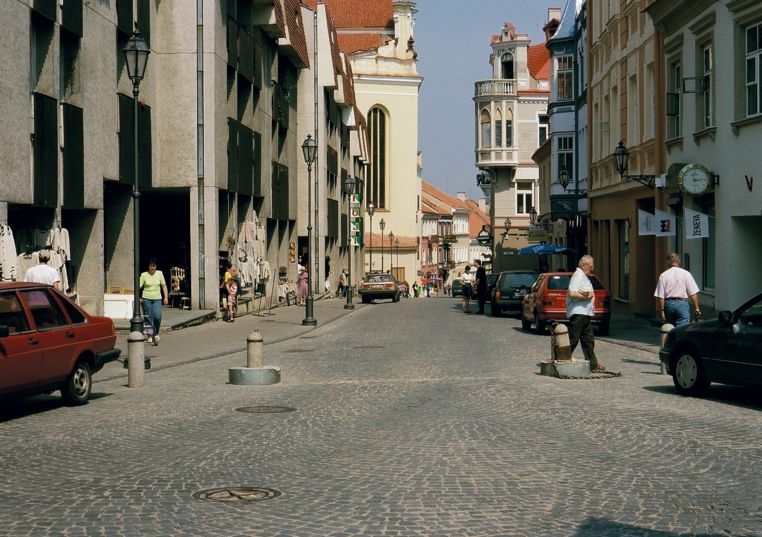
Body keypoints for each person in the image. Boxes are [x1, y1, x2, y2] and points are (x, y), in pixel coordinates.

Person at [566, 255, 604, 371]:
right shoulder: (578, 276)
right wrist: (587, 296)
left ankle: (592, 364)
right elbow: (571, 294)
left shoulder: (583, 276)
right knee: (573, 338)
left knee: (588, 339)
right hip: (578, 313)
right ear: (584, 265)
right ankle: (561, 358)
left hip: (584, 313)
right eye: (591, 266)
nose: (592, 269)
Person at [654, 252, 701, 327]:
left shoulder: (663, 275)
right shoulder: (686, 274)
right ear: (679, 261)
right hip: (682, 304)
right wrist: (697, 308)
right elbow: (693, 293)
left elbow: (660, 296)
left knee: (669, 328)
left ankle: (671, 338)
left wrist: (661, 311)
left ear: (668, 262)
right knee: (682, 329)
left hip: (668, 305)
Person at [140, 258, 169, 345]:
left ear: (156, 266)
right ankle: (149, 334)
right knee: (148, 317)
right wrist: (139, 297)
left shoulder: (159, 273)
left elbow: (164, 286)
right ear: (148, 267)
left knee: (157, 316)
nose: (152, 268)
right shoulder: (144, 275)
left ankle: (156, 333)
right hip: (146, 298)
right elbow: (138, 286)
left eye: (154, 266)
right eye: (151, 266)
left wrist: (166, 297)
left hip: (157, 298)